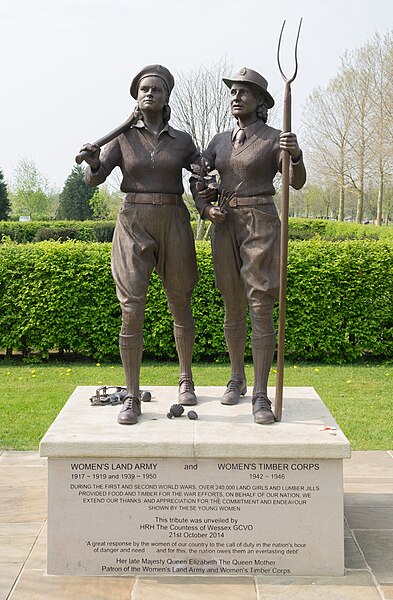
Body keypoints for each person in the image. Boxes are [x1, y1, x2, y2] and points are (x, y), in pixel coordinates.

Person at [81, 65, 200, 424]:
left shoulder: (181, 140)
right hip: (133, 222)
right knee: (131, 306)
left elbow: (200, 169)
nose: (149, 94)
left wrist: (206, 172)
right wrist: (91, 161)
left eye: (156, 90)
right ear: (136, 97)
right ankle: (131, 395)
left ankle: (186, 378)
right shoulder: (122, 139)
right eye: (143, 89)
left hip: (173, 219)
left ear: (166, 98)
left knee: (180, 299)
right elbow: (94, 178)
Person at [196, 67, 306, 425]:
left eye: (244, 92)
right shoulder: (217, 141)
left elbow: (297, 183)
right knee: (232, 303)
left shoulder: (276, 138)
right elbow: (199, 182)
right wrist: (206, 207)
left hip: (260, 221)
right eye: (233, 91)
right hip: (225, 224)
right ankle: (237, 379)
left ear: (261, 102)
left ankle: (261, 392)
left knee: (259, 304)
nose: (236, 96)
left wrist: (297, 155)